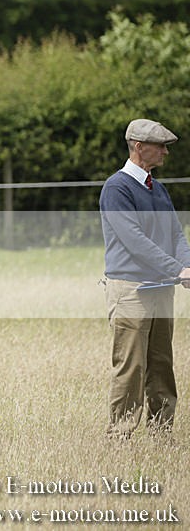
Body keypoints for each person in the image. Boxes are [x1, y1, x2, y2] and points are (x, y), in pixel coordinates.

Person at [99, 118, 190, 439]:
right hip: (131, 290)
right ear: (139, 147)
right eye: (161, 146)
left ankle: (161, 433)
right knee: (132, 365)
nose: (166, 151)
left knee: (162, 364)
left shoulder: (159, 188)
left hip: (162, 289)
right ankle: (120, 435)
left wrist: (187, 263)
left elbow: (176, 233)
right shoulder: (116, 188)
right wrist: (176, 269)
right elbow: (133, 240)